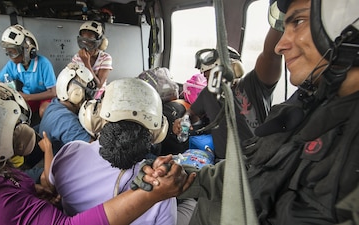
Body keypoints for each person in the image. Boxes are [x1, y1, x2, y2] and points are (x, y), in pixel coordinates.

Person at [139, 0, 359, 224]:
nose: (281, 46)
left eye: (299, 21)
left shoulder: (254, 85)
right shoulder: (303, 107)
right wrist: (185, 176)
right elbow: (255, 168)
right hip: (229, 163)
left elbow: (270, 55)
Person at [0, 80, 194, 225]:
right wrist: (151, 194)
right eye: (16, 128)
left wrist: (32, 192)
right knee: (192, 204)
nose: (24, 131)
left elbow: (37, 183)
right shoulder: (160, 195)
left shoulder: (70, 152)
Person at [47, 78, 177, 224]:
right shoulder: (160, 188)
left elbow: (50, 185)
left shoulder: (70, 152)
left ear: (93, 116)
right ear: (158, 131)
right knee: (189, 202)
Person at [173, 28, 283, 162]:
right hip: (223, 163)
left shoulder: (254, 84)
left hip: (256, 159)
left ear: (233, 69)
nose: (210, 83)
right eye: (207, 78)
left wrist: (277, 21)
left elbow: (270, 55)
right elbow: (193, 113)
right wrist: (184, 119)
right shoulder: (208, 93)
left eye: (213, 76)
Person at [0, 24, 56, 122]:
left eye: (13, 52)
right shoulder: (12, 65)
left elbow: (53, 92)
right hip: (26, 98)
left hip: (44, 98)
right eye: (8, 52)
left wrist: (28, 97)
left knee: (44, 111)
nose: (10, 56)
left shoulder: (43, 63)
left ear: (27, 51)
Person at [72, 20, 112, 99]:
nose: (85, 45)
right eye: (83, 42)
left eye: (89, 42)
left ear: (98, 42)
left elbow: (99, 85)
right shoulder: (77, 57)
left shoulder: (105, 58)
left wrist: (86, 63)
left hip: (98, 96)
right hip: (80, 94)